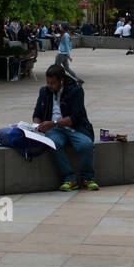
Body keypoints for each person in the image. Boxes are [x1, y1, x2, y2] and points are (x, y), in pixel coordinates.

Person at [32, 64, 97, 192]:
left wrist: (53, 123)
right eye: (48, 82)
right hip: (54, 130)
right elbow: (37, 114)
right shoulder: (44, 91)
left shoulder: (75, 90)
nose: (50, 86)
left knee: (86, 145)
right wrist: (36, 126)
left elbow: (76, 117)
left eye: (53, 83)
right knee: (53, 143)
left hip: (75, 127)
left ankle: (87, 178)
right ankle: (69, 178)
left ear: (61, 80)